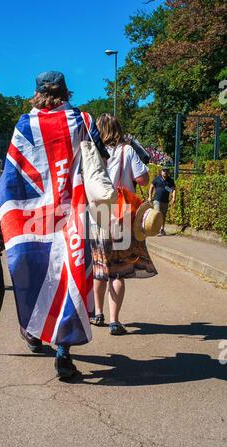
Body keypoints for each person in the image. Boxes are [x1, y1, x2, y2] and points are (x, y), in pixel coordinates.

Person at [0, 71, 109, 379]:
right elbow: (100, 162)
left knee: (32, 275)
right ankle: (63, 353)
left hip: (30, 221)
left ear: (36, 94)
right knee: (70, 276)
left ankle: (33, 332)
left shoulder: (24, 125)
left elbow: (10, 176)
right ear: (65, 92)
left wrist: (2, 218)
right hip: (73, 216)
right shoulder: (84, 121)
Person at [90, 114, 157, 335]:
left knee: (100, 267)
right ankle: (114, 321)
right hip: (122, 215)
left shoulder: (92, 151)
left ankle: (97, 313)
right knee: (117, 272)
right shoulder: (127, 150)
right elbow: (143, 180)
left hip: (98, 215)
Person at [148, 166, 176, 236]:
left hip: (165, 201)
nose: (165, 172)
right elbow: (151, 187)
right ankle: (156, 229)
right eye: (164, 171)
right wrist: (150, 197)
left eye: (166, 171)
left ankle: (162, 229)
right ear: (161, 172)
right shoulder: (157, 179)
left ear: (168, 172)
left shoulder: (170, 181)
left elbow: (173, 189)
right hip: (157, 200)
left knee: (163, 215)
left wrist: (173, 198)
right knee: (158, 214)